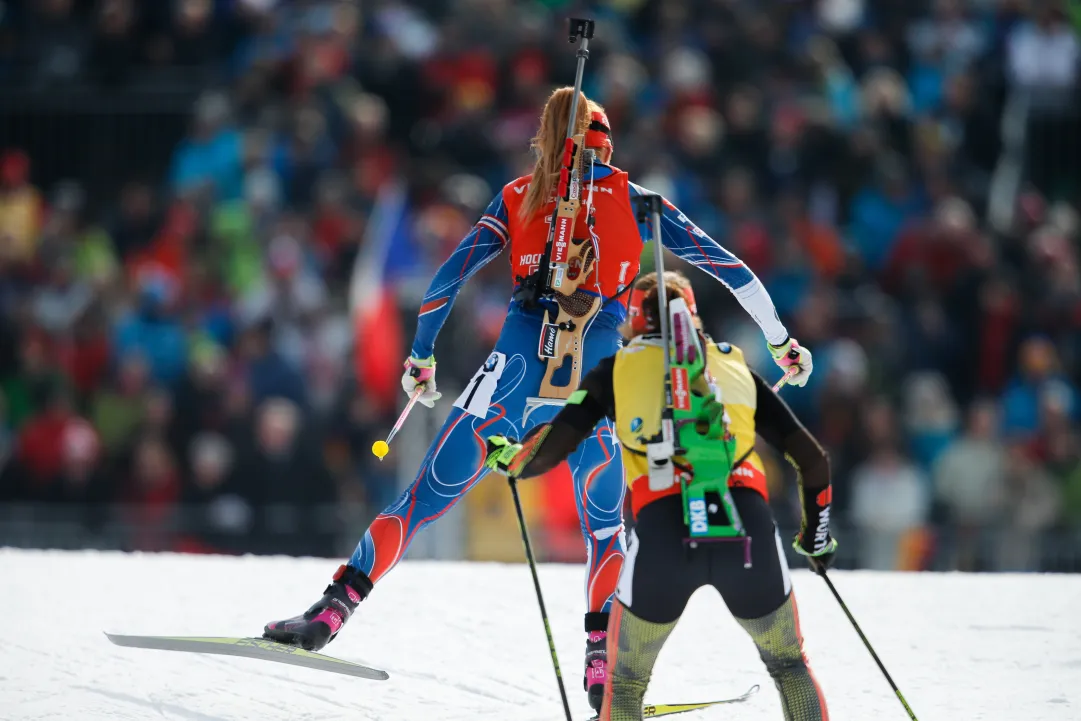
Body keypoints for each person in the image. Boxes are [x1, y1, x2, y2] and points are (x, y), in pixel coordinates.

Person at [263, 88, 813, 712]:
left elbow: (449, 279)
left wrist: (422, 355)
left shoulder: (518, 195)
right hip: (600, 388)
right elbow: (730, 267)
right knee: (606, 531)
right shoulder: (640, 203)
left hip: (512, 377)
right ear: (607, 140)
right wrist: (782, 339)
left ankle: (332, 612)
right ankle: (603, 670)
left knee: (419, 501)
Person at [485, 272, 835, 720]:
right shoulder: (734, 365)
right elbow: (814, 461)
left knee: (626, 682)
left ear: (633, 321)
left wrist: (513, 459)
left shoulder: (617, 368)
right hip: (745, 531)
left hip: (664, 538)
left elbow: (550, 450)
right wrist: (817, 537)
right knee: (788, 664)